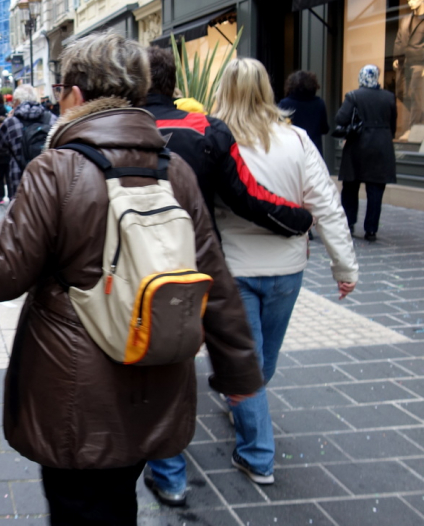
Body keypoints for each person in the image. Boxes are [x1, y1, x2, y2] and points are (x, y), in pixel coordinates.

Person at [0, 32, 263, 525]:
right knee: (118, 501)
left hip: (76, 390)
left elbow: (0, 275)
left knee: (80, 507)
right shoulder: (172, 169)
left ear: (75, 93)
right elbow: (214, 279)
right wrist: (239, 375)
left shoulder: (57, 170)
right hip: (155, 376)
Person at [141, 46, 314, 506]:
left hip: (135, 269)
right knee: (228, 353)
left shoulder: (116, 129)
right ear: (174, 84)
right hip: (196, 261)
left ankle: (170, 473)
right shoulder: (206, 130)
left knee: (159, 365)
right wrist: (295, 219)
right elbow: (244, 194)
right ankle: (252, 451)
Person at [213, 58, 358, 486]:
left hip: (235, 266)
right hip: (287, 268)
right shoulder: (296, 140)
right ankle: (250, 422)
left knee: (253, 363)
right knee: (263, 359)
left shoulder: (217, 139)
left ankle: (256, 452)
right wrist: (344, 266)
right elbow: (327, 205)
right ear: (266, 89)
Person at [335, 65, 397, 242]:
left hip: (357, 145)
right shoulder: (389, 97)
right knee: (376, 189)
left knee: (350, 187)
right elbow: (393, 124)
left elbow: (341, 119)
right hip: (382, 145)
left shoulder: (353, 96)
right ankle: (371, 229)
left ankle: (349, 222)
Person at [0, 85, 56, 199]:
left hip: (19, 184)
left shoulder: (11, 122)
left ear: (17, 102)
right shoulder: (52, 119)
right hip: (48, 184)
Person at [394, 0, 424, 137]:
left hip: (420, 62)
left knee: (417, 95)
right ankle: (416, 126)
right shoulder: (406, 20)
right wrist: (396, 57)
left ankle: (414, 129)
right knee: (402, 93)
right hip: (404, 63)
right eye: (408, 0)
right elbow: (399, 39)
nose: (410, 2)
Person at [279, 70, 330, 155]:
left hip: (292, 151)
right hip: (313, 151)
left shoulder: (284, 104)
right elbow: (324, 129)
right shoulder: (319, 103)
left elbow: (280, 129)